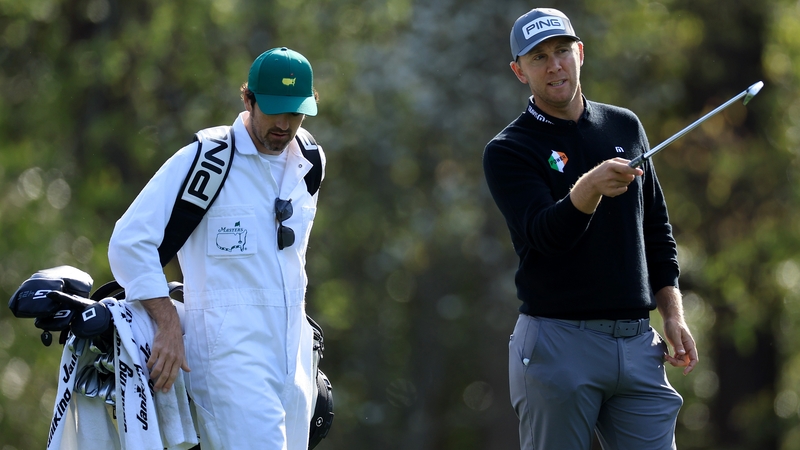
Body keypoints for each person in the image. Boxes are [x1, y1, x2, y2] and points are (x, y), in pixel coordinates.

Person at [482, 8, 699, 450]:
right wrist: (589, 188)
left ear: (580, 53)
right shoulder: (508, 149)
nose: (554, 65)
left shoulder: (624, 125)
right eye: (538, 57)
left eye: (562, 51)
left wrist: (672, 314)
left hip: (639, 343)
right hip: (558, 343)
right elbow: (545, 236)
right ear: (519, 72)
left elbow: (656, 229)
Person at [108, 47, 324, 449]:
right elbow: (128, 242)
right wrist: (168, 321)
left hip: (293, 364)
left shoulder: (310, 160)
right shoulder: (206, 160)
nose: (284, 124)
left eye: (294, 113)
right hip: (229, 363)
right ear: (247, 100)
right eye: (274, 110)